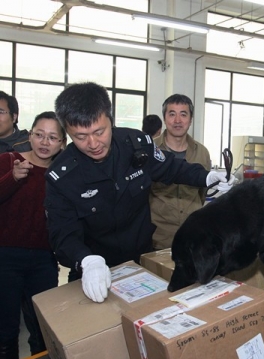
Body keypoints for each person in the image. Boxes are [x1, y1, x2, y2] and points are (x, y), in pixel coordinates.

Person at [44, 82, 232, 303]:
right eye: (80, 136)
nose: (93, 143)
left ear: (110, 120)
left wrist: (206, 177)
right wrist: (86, 260)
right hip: (93, 269)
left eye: (99, 132)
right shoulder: (62, 176)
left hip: (140, 264)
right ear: (67, 132)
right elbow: (62, 233)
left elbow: (171, 168)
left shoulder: (136, 145)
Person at [0, 111, 66, 359]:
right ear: (30, 135)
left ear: (62, 143)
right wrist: (12, 178)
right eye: (39, 134)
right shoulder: (9, 160)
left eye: (52, 137)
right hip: (6, 257)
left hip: (43, 260)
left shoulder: (62, 174)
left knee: (42, 330)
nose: (44, 142)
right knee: (5, 330)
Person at [149, 94, 212, 250]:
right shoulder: (150, 150)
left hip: (193, 236)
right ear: (164, 118)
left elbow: (202, 193)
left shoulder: (202, 153)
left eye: (183, 114)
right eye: (172, 114)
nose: (177, 120)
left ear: (190, 119)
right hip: (158, 238)